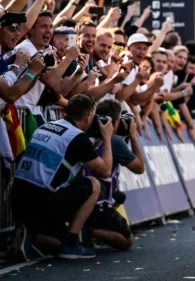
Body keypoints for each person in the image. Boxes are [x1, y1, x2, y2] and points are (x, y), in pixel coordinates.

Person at [12, 95, 114, 260]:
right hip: (41, 203)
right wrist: (107, 138)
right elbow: (105, 171)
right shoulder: (77, 138)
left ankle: (31, 237)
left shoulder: (47, 126)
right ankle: (71, 242)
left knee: (57, 243)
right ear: (88, 117)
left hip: (18, 199)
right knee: (94, 184)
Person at [84, 100, 145, 251]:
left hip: (82, 195)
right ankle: (87, 232)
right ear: (115, 122)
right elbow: (139, 168)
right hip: (98, 202)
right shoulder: (114, 141)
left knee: (119, 196)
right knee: (126, 241)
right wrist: (133, 135)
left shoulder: (85, 135)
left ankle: (86, 227)